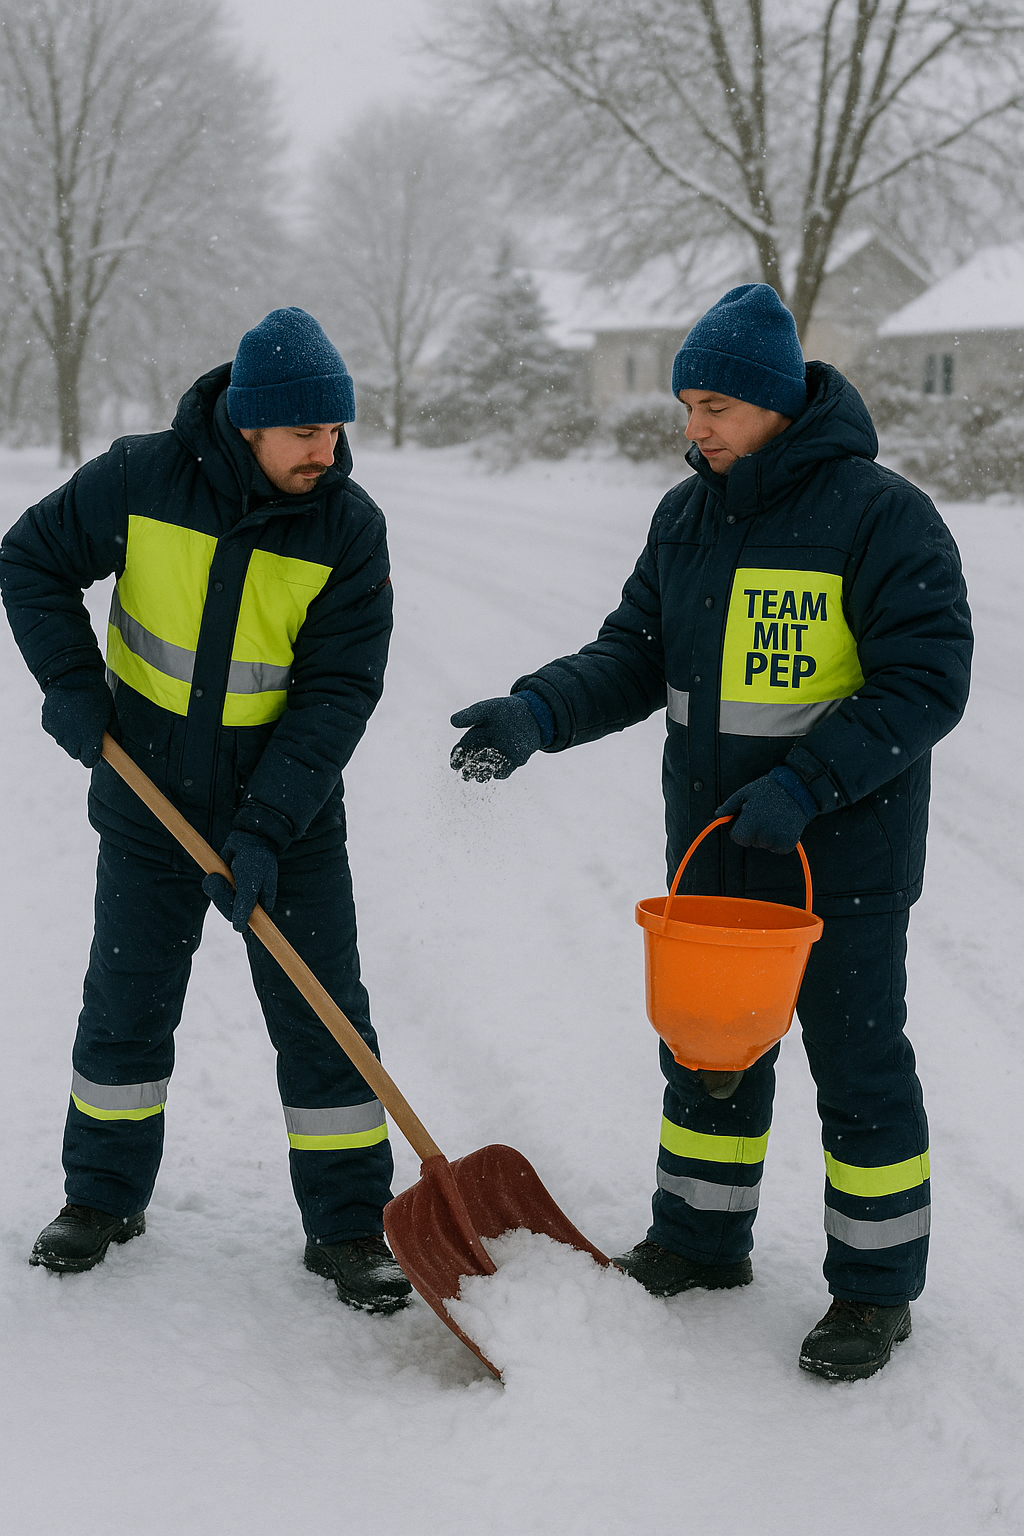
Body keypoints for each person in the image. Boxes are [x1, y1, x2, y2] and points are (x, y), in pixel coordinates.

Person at [449, 284, 973, 1380]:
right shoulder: (687, 516)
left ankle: (873, 1294)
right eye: (688, 404)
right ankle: (698, 1239)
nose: (694, 428)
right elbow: (633, 655)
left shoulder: (880, 516)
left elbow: (926, 680)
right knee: (705, 1056)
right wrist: (538, 711)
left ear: (778, 404)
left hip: (841, 863)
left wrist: (811, 782)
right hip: (716, 849)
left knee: (858, 1067)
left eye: (716, 407)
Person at [0, 307, 412, 1315]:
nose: (328, 452)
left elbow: (336, 693)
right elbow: (30, 560)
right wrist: (72, 688)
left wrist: (268, 823)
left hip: (290, 817)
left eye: (334, 431)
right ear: (248, 425)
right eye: (305, 434)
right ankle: (100, 1200)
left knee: (323, 1017)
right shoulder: (142, 480)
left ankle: (350, 1226)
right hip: (147, 800)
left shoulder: (347, 528)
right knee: (127, 1003)